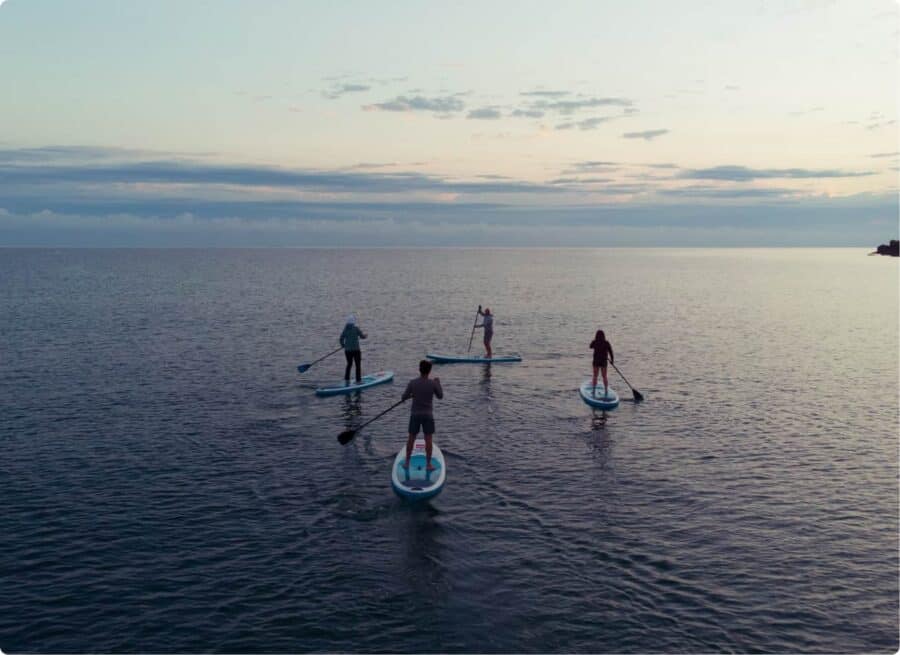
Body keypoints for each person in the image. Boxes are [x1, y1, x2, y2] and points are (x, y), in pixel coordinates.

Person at [401, 359, 443, 471]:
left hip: (415, 415)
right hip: (428, 415)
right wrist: (438, 383)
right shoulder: (433, 383)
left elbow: (404, 397)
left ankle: (407, 463)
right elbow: (440, 396)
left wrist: (410, 395)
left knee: (411, 438)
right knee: (428, 439)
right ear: (429, 371)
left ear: (420, 370)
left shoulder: (412, 383)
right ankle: (429, 465)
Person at [339, 315, 367, 384]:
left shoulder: (345, 330)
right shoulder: (356, 328)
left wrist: (343, 345)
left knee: (349, 364)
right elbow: (362, 336)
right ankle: (358, 381)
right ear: (353, 322)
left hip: (347, 351)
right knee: (358, 365)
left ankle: (347, 379)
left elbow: (341, 339)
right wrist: (365, 336)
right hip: (356, 350)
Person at [590, 329, 614, 399]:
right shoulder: (606, 343)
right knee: (604, 377)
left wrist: (593, 341)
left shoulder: (595, 342)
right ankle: (606, 390)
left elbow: (590, 346)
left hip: (596, 361)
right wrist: (612, 361)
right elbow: (611, 352)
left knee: (595, 376)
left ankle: (594, 390)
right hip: (603, 362)